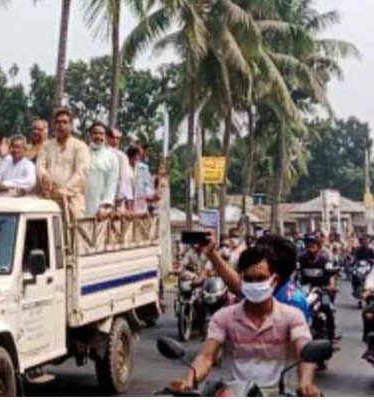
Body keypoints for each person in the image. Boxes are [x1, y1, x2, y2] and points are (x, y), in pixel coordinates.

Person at [169, 243, 319, 396]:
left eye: (261, 278)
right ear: (241, 280)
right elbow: (206, 356)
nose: (255, 284)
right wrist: (190, 380)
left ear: (274, 280)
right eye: (249, 279)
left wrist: (306, 382)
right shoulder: (224, 317)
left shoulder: (292, 316)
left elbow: (305, 353)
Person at [207, 231, 311, 321]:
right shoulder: (261, 289)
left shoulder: (293, 302)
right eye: (249, 279)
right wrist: (211, 253)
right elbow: (237, 285)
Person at [36, 107, 91, 217]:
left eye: (65, 122)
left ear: (71, 125)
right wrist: (44, 178)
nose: (61, 125)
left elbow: (81, 172)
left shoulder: (80, 146)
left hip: (72, 200)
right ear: (54, 126)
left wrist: (63, 189)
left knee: (74, 233)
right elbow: (40, 165)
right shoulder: (46, 146)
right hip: (49, 199)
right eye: (58, 122)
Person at [85, 122, 119, 217]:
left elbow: (112, 183)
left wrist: (105, 205)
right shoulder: (83, 153)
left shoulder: (112, 157)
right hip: (82, 203)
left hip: (100, 207)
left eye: (101, 134)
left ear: (105, 137)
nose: (98, 136)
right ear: (90, 135)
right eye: (95, 133)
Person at [107, 128, 133, 211]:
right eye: (113, 137)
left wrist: (119, 197)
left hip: (117, 199)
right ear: (107, 137)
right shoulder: (101, 153)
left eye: (118, 138)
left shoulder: (122, 156)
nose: (115, 140)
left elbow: (124, 179)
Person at [126, 145, 156, 214]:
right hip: (127, 202)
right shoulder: (124, 167)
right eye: (134, 156)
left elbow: (149, 185)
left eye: (138, 155)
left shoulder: (144, 168)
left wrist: (151, 195)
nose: (137, 157)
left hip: (140, 202)